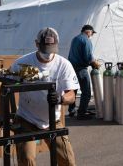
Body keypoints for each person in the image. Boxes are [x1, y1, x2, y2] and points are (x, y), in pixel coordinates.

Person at [10, 27, 79, 166]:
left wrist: (61, 99)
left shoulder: (64, 65)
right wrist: (4, 115)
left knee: (68, 160)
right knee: (27, 159)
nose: (48, 54)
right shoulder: (22, 64)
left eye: (51, 49)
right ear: (36, 44)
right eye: (44, 49)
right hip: (27, 119)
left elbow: (72, 94)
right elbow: (4, 88)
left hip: (53, 120)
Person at [68, 25, 100, 120]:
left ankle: (72, 110)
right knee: (86, 92)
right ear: (88, 32)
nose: (91, 35)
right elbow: (88, 57)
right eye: (92, 33)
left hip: (71, 68)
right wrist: (95, 64)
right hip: (81, 69)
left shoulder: (75, 38)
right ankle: (81, 113)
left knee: (73, 90)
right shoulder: (86, 40)